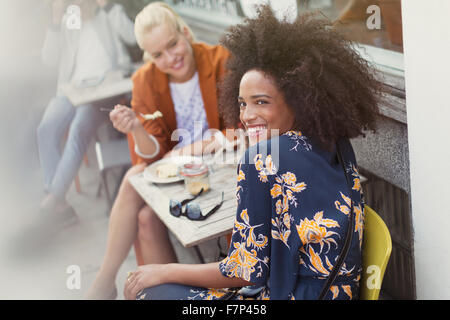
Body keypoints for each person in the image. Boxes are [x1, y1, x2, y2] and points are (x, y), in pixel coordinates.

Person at [124, 5, 383, 300]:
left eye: (261, 102)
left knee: (150, 290)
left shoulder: (261, 159)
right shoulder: (334, 140)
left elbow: (242, 272)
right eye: (243, 103)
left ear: (297, 98)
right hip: (337, 293)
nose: (246, 116)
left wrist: (163, 270)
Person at [85, 2, 231, 299]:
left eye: (173, 44)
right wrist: (135, 128)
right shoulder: (145, 80)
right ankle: (161, 292)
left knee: (136, 182)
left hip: (222, 166)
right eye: (157, 54)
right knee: (144, 216)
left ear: (185, 32)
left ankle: (105, 283)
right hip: (179, 178)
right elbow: (152, 158)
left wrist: (189, 149)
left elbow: (239, 129)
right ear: (148, 56)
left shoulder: (219, 60)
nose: (170, 58)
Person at [37, 0, 136, 224]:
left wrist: (108, 7)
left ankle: (52, 199)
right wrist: (55, 20)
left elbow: (133, 37)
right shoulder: (66, 20)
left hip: (105, 90)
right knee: (46, 129)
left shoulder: (108, 12)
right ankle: (59, 203)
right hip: (72, 89)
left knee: (79, 129)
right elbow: (49, 59)